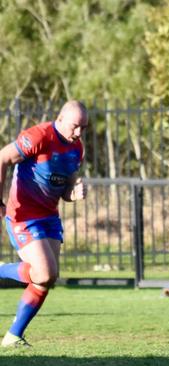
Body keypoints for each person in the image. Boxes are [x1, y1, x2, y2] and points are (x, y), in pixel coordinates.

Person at [0, 101, 88, 347]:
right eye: (75, 126)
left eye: (84, 128)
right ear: (60, 119)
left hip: (49, 217)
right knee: (44, 272)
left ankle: (13, 336)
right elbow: (3, 157)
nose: (79, 133)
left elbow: (65, 191)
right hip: (23, 215)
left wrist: (75, 193)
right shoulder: (39, 136)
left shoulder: (76, 149)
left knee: (47, 278)